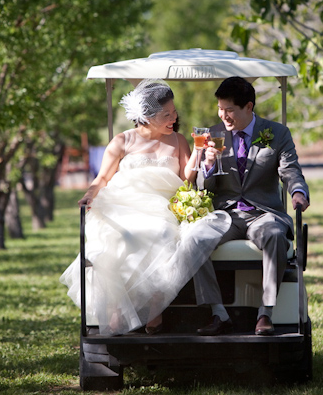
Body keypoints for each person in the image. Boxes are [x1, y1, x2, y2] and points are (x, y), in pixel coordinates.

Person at [59, 79, 230, 336]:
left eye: (174, 112)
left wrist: (197, 152)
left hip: (160, 207)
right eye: (166, 115)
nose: (173, 118)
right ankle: (117, 309)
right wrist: (89, 194)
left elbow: (187, 179)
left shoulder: (178, 140)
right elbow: (102, 178)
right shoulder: (122, 141)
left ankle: (154, 309)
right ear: (147, 116)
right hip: (122, 204)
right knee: (120, 237)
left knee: (161, 233)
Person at [192, 76, 310, 336]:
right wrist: (208, 165)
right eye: (220, 109)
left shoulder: (276, 133)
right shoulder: (213, 134)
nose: (224, 115)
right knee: (194, 238)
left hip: (263, 213)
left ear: (248, 107)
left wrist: (298, 192)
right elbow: (203, 188)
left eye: (230, 110)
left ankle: (266, 312)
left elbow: (290, 170)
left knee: (276, 236)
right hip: (226, 215)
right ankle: (218, 313)